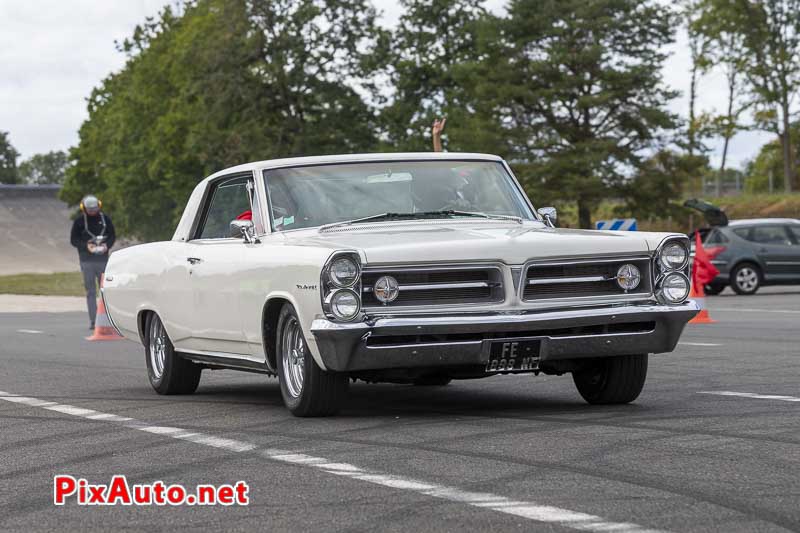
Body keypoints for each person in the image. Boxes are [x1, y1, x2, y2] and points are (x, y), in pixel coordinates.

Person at [70, 195, 116, 330]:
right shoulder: (79, 222)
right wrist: (87, 246)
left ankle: (110, 320)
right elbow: (74, 240)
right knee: (91, 291)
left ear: (99, 206)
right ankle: (93, 320)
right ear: (84, 208)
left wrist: (106, 245)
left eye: (95, 209)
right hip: (87, 261)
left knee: (105, 291)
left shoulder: (105, 219)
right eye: (89, 209)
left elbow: (112, 235)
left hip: (103, 260)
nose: (92, 212)